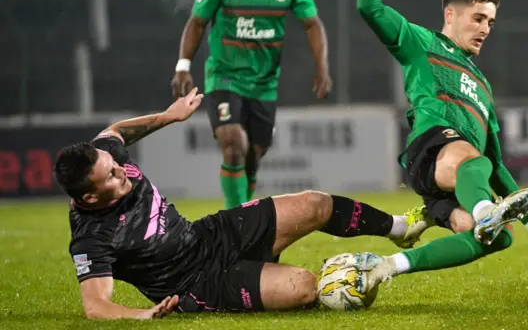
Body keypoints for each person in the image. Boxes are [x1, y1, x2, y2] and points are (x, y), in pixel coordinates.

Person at [55, 88, 422, 319]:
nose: (122, 171)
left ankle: (400, 228)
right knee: (305, 287)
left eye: (117, 165)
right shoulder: (91, 237)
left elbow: (116, 131)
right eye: (112, 176)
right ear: (89, 197)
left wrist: (169, 116)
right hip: (197, 283)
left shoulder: (105, 155)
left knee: (315, 203)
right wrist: (143, 315)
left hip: (210, 235)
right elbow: (95, 306)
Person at [355, 0, 528, 287]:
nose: (485, 29)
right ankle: (486, 210)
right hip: (430, 150)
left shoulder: (483, 86)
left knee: (497, 238)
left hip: (457, 180)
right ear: (450, 14)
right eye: (478, 18)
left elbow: (496, 165)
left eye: (490, 22)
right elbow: (369, 7)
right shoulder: (421, 42)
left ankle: (386, 267)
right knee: (475, 161)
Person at [171, 0, 332, 209]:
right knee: (233, 142)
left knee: (254, 154)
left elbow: (312, 24)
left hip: (264, 82)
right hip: (225, 76)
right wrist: (183, 66)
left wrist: (322, 67)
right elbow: (197, 22)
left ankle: (244, 215)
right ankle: (236, 222)